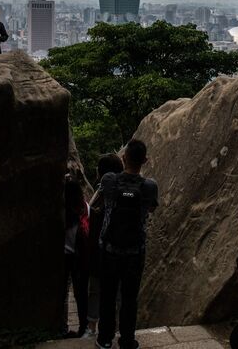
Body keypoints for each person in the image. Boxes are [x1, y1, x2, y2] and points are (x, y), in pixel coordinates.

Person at [95, 140, 158, 349]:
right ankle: (127, 340)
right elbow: (151, 210)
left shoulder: (109, 180)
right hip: (134, 252)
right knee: (130, 299)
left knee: (107, 296)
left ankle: (104, 339)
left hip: (109, 251)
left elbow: (101, 203)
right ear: (145, 160)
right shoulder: (149, 186)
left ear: (123, 158)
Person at [87, 153, 125, 337]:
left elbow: (88, 215)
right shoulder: (125, 193)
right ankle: (117, 329)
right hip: (120, 252)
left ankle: (92, 328)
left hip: (99, 253)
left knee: (95, 291)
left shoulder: (101, 194)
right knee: (117, 292)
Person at [63, 175, 90, 338]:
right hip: (81, 255)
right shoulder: (85, 207)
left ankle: (62, 327)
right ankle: (83, 327)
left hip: (65, 255)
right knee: (81, 294)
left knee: (63, 294)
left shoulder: (62, 209)